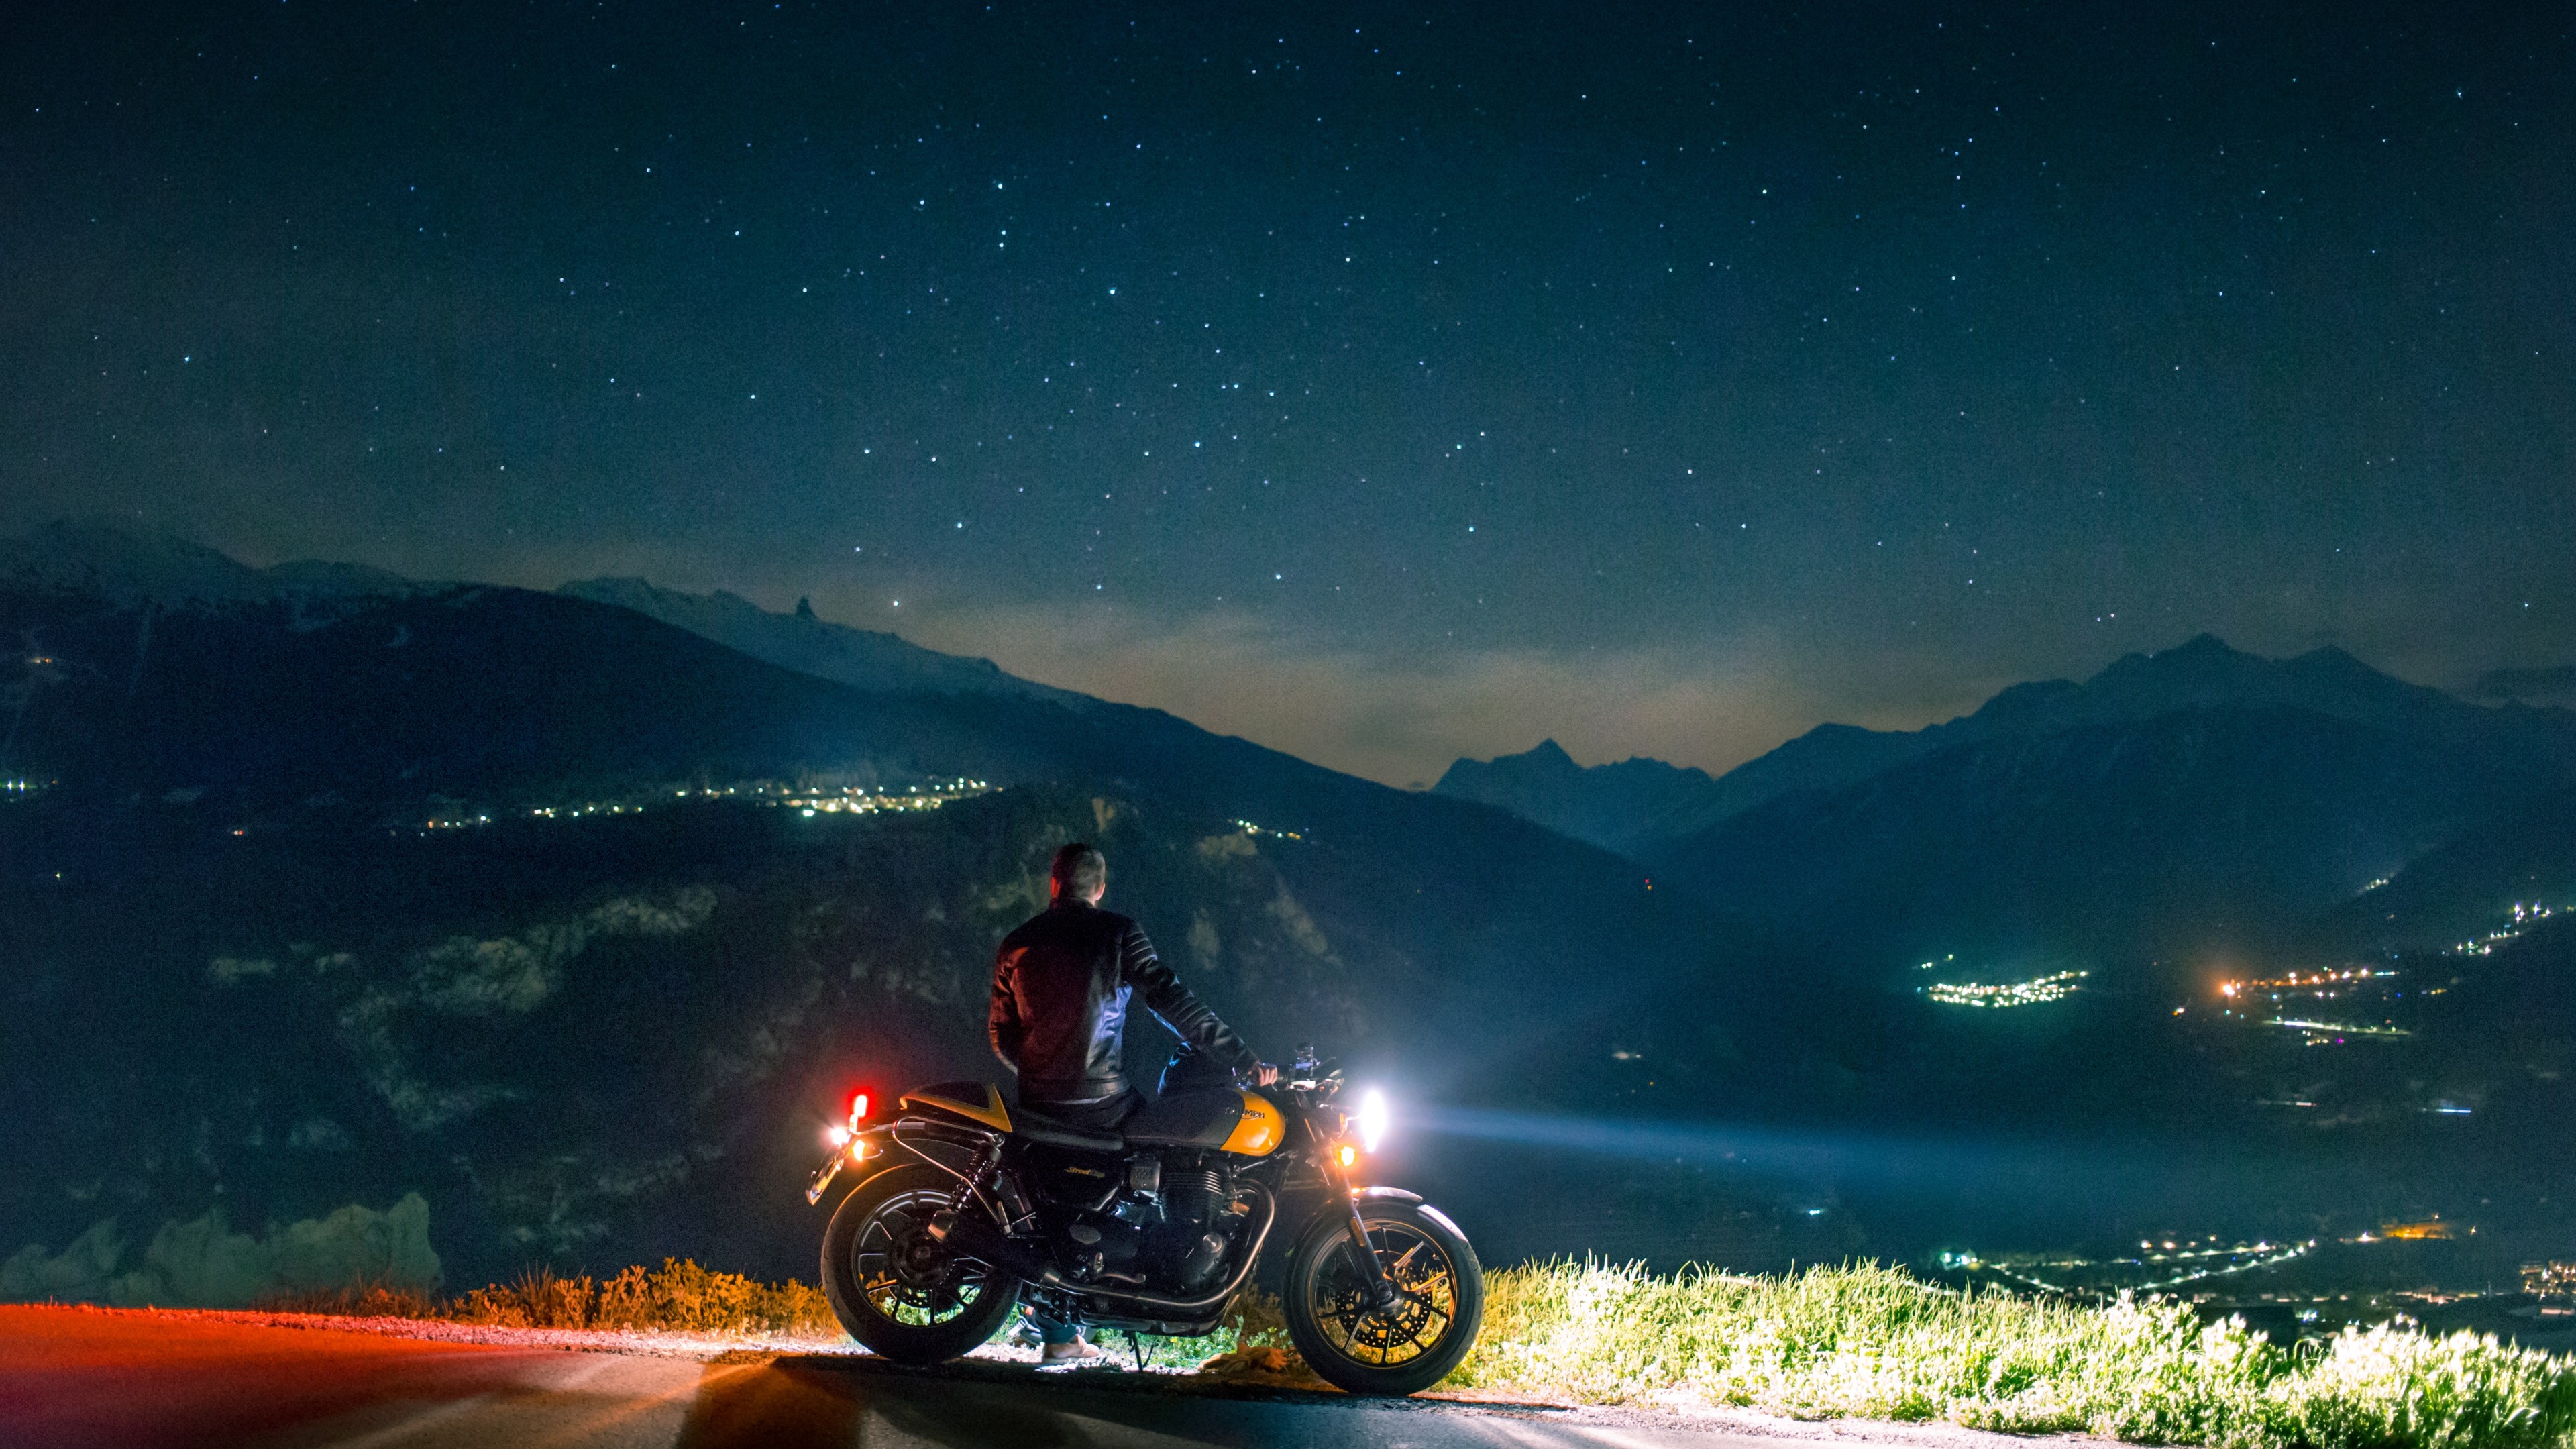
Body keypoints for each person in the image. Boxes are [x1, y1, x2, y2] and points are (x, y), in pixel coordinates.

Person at [988, 841, 1275, 1361]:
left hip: (1034, 1103)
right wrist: (1243, 1058)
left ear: (1053, 885)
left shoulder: (1017, 943)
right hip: (1101, 1101)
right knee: (1165, 1160)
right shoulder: (1117, 933)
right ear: (1099, 888)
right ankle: (1096, 1312)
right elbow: (1173, 1001)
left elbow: (1001, 1036)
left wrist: (1040, 1075)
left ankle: (1044, 1319)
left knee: (1060, 1195)